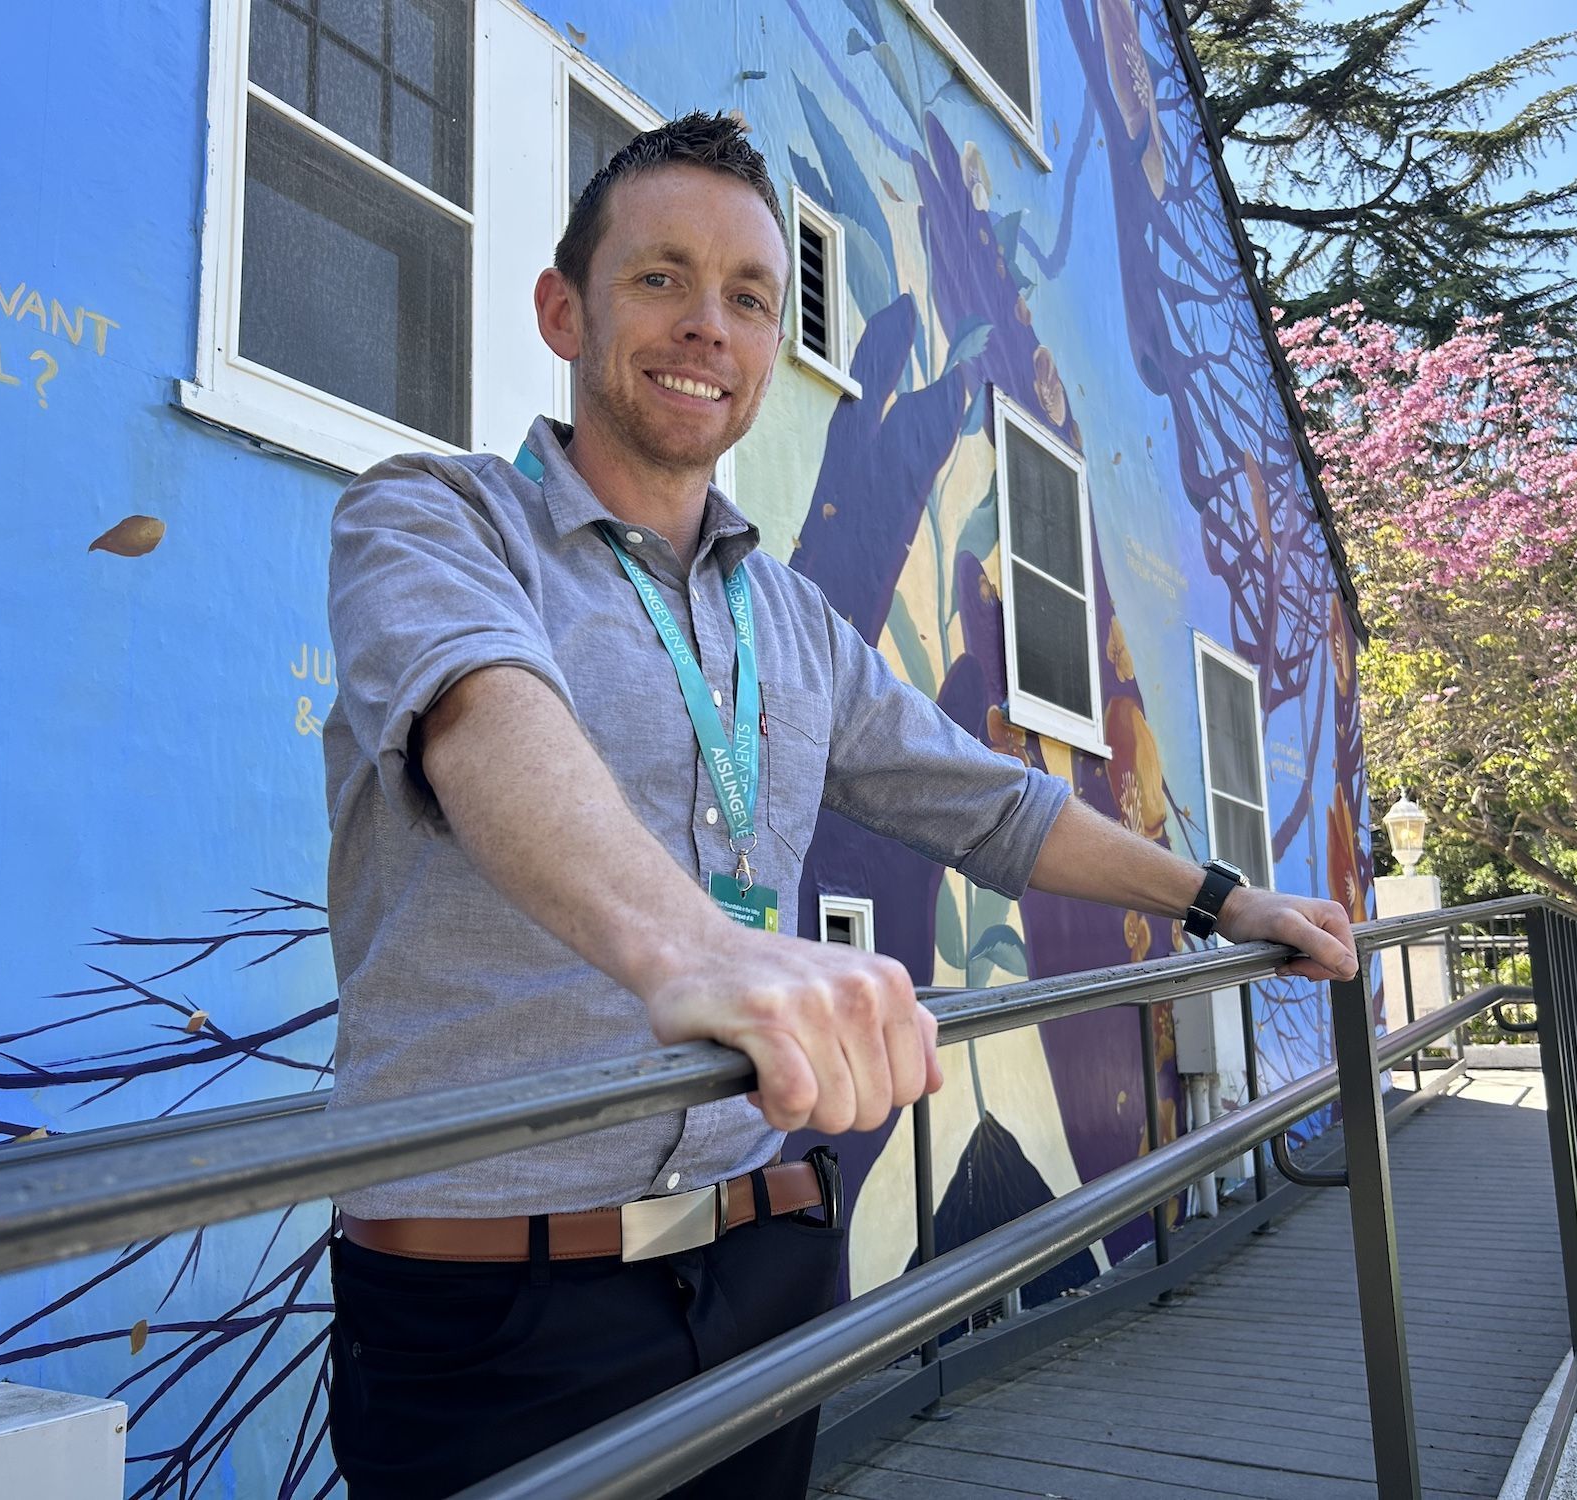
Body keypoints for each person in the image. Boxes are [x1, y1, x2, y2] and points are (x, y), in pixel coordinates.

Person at [321, 111, 1357, 1500]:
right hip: (496, 1304)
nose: (709, 326)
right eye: (660, 278)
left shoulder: (793, 621)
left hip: (763, 1260)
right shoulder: (433, 519)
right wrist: (696, 952)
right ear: (563, 309)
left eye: (750, 296)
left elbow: (994, 805)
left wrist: (1223, 897)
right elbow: (483, 713)